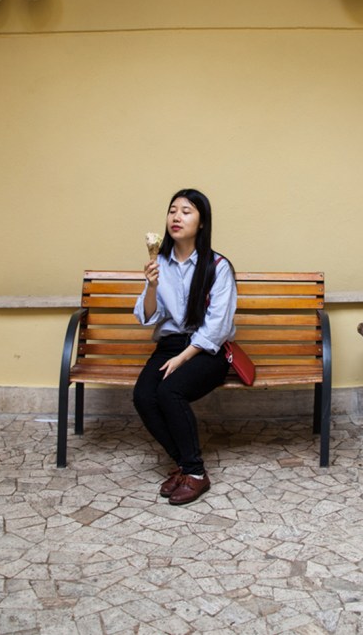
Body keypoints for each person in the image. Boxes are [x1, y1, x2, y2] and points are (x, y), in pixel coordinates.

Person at [132, 188, 237, 506]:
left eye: (187, 211)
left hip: (206, 349)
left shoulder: (217, 266)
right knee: (143, 397)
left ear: (202, 223)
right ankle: (185, 465)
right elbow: (147, 317)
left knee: (169, 391)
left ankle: (195, 472)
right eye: (172, 210)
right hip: (170, 344)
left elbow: (217, 326)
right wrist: (151, 286)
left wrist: (183, 358)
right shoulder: (159, 263)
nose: (177, 217)